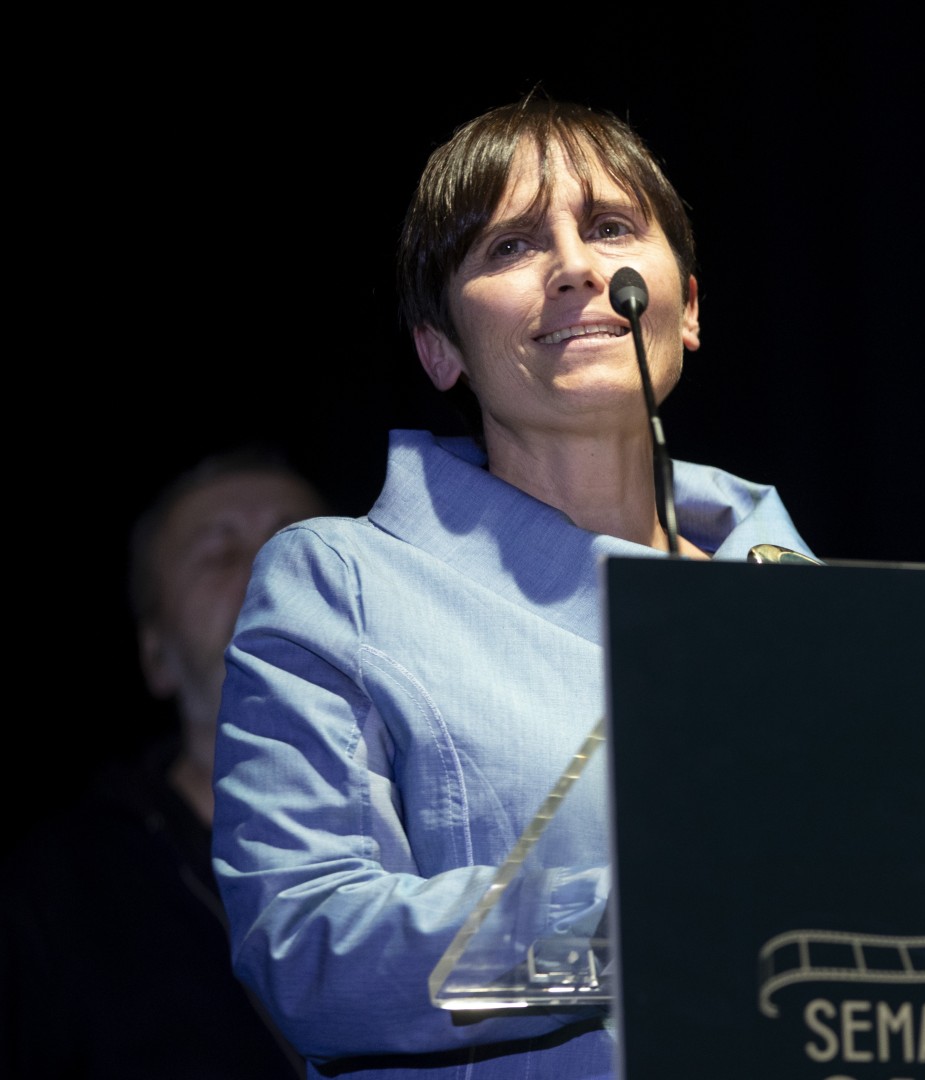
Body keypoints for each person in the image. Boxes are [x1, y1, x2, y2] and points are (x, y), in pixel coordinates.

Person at [210, 94, 815, 1078]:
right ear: (440, 347)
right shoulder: (345, 582)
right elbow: (307, 950)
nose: (576, 266)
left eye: (610, 227)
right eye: (512, 246)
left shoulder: (818, 602)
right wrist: (636, 924)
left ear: (691, 306)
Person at [0, 446, 326, 1078]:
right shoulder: (55, 894)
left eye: (299, 542)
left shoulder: (460, 824)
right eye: (218, 553)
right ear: (156, 656)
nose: (269, 564)